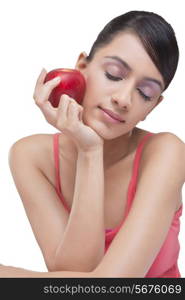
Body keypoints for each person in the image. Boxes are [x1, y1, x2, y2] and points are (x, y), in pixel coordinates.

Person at [1, 10, 185, 278]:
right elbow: (77, 273)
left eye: (145, 93)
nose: (124, 99)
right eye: (114, 74)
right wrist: (90, 151)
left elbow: (110, 288)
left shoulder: (168, 153)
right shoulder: (29, 156)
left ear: (152, 106)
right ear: (82, 67)